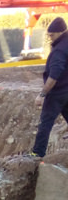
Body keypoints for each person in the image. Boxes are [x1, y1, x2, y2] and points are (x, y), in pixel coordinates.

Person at [30, 17, 68, 158]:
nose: (50, 38)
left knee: (45, 122)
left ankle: (37, 153)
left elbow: (54, 75)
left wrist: (42, 94)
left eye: (52, 35)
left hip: (57, 93)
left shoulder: (59, 51)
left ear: (59, 33)